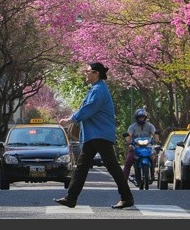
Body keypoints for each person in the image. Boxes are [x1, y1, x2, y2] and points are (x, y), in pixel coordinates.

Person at [54, 62, 134, 209]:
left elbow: (88, 109)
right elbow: (86, 108)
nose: (86, 73)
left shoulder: (99, 90)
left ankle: (127, 197)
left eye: (88, 71)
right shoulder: (96, 88)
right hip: (93, 135)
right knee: (82, 167)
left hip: (100, 134)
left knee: (111, 167)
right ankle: (71, 198)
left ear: (96, 73)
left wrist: (70, 119)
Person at [122, 108, 161, 184]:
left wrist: (156, 138)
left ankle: (152, 172)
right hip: (135, 147)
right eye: (140, 117)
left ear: (145, 117)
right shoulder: (132, 127)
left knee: (154, 157)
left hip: (148, 147)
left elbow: (155, 134)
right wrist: (128, 139)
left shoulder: (150, 126)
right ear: (137, 118)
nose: (141, 118)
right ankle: (123, 181)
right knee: (128, 161)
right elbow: (129, 135)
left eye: (143, 117)